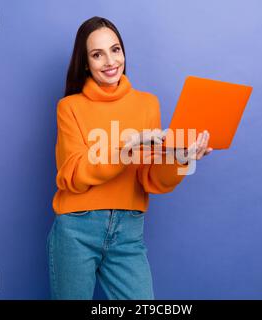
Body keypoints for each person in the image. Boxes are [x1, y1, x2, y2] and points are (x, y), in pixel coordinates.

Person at [47, 16, 212, 300]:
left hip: (128, 230)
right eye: (98, 54)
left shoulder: (147, 104)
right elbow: (72, 173)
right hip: (77, 228)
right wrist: (128, 149)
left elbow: (150, 178)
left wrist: (181, 159)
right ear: (86, 62)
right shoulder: (70, 107)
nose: (110, 61)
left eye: (115, 49)